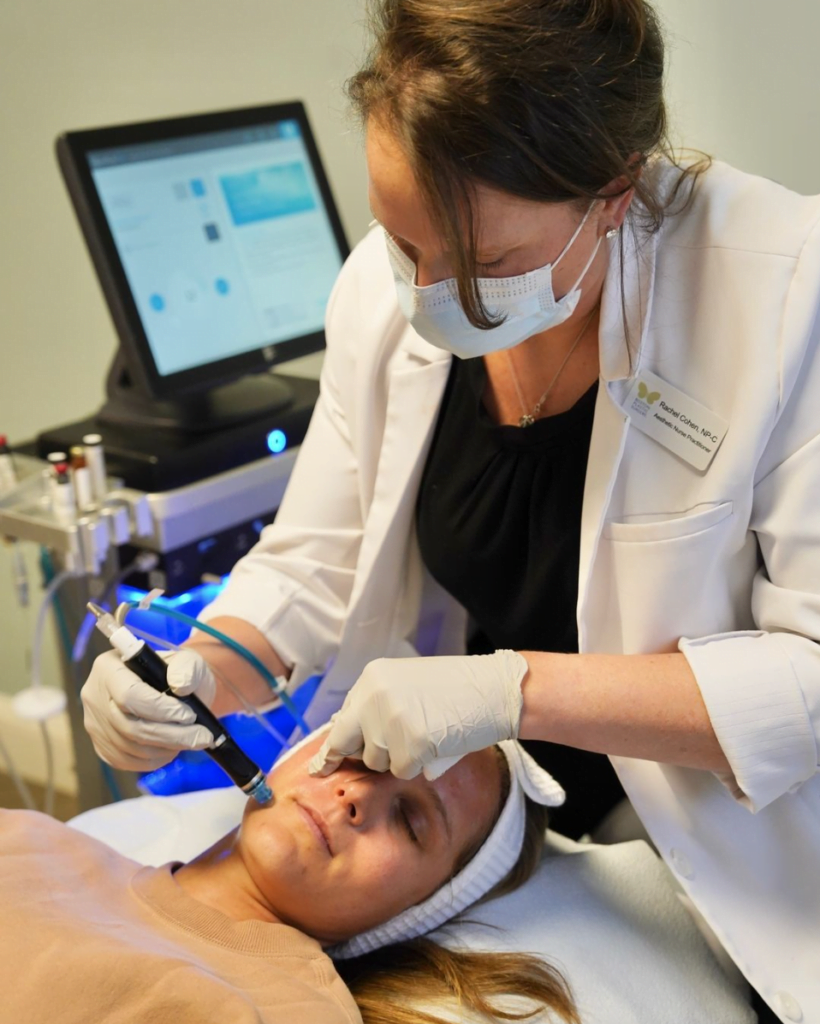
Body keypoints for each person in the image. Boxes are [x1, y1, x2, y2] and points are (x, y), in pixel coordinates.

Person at [81, 1, 820, 1019]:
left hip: (748, 854)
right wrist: (204, 670)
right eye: (402, 239)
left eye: (488, 264)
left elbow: (811, 675)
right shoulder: (387, 295)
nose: (429, 293)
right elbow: (315, 562)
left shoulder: (785, 302)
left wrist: (513, 690)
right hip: (501, 827)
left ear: (612, 191)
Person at [0, 732, 579, 1024]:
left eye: (409, 819)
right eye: (362, 752)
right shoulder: (31, 838)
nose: (357, 793)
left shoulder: (285, 1011)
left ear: (415, 913)